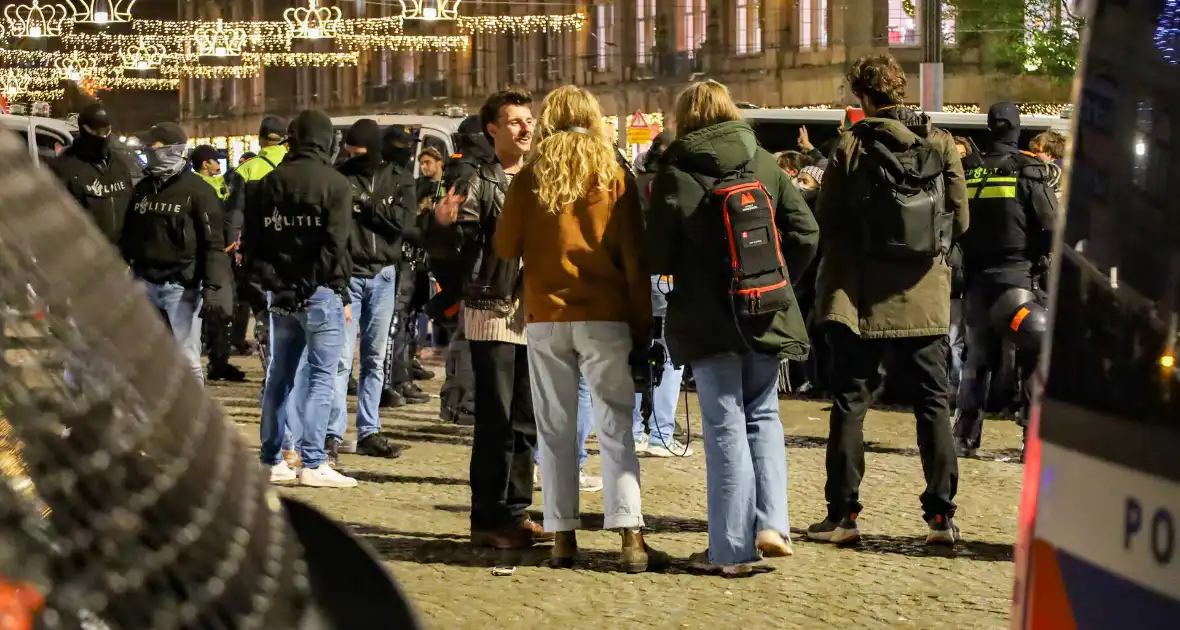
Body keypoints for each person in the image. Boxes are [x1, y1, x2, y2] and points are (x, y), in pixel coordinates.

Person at [649, 80, 819, 575]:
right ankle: (772, 525)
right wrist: (781, 280)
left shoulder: (675, 170)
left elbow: (657, 253)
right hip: (765, 307)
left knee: (724, 425)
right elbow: (806, 231)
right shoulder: (763, 160)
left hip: (707, 316)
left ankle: (729, 550)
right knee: (763, 416)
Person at [493, 85, 663, 571]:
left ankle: (563, 534)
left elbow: (505, 246)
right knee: (615, 425)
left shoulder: (530, 178)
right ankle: (630, 534)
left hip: (547, 314)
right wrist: (641, 322)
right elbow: (635, 258)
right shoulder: (613, 175)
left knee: (555, 428)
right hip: (605, 312)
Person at [808, 54, 966, 546]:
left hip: (859, 299)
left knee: (851, 404)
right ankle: (940, 519)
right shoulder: (941, 144)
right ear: (901, 90)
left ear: (863, 96)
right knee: (933, 406)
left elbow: (827, 219)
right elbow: (959, 220)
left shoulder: (850, 147)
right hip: (924, 297)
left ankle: (843, 518)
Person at [429, 88, 549, 550]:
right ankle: (487, 517)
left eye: (529, 120)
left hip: (534, 311)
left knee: (526, 417)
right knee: (496, 418)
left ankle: (516, 511)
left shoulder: (541, 177)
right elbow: (453, 253)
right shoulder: (479, 180)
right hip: (492, 310)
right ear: (493, 130)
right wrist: (440, 226)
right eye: (515, 121)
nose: (526, 128)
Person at [241, 109, 355, 488]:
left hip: (281, 294)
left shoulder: (268, 183)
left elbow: (255, 246)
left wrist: (280, 283)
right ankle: (313, 461)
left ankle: (271, 458)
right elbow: (335, 244)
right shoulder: (335, 184)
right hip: (319, 293)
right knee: (322, 377)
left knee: (279, 377)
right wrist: (308, 283)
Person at [953, 103, 1059, 457]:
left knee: (976, 361)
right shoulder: (1028, 170)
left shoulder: (969, 172)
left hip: (977, 290)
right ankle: (1032, 441)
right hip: (1018, 289)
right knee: (1032, 354)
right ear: (1016, 128)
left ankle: (964, 436)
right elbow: (1051, 227)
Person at [323, 119, 414, 463]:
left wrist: (365, 204)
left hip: (385, 275)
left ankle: (369, 430)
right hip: (350, 275)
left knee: (375, 359)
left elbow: (404, 225)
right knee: (341, 360)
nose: (353, 158)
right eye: (350, 153)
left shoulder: (399, 177)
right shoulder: (339, 177)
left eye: (358, 152)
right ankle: (333, 432)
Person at [119, 123, 232, 382]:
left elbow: (213, 243)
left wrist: (214, 287)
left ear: (173, 150)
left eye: (155, 147)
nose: (148, 151)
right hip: (144, 282)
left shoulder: (198, 191)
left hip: (181, 286)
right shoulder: (144, 189)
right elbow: (129, 235)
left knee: (186, 358)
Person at [228, 116, 289, 373]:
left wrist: (232, 247)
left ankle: (271, 373)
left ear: (260, 139)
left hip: (258, 256)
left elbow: (235, 216)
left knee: (264, 315)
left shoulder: (247, 170)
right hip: (291, 255)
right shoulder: (295, 166)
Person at [380, 125, 433, 408]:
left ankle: (396, 378)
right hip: (399, 259)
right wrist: (428, 224)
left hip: (399, 259)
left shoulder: (387, 176)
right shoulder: (397, 178)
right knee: (396, 324)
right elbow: (406, 223)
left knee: (400, 322)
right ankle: (394, 380)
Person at [192, 144, 247, 383]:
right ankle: (213, 363)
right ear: (205, 163)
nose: (218, 164)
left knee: (224, 309)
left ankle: (218, 361)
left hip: (220, 254)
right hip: (208, 256)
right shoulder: (198, 187)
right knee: (216, 309)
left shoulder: (218, 185)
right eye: (214, 160)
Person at [48, 102, 133, 246]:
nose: (102, 136)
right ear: (84, 130)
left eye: (106, 131)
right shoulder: (65, 167)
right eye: (96, 131)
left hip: (120, 256)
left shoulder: (119, 165)